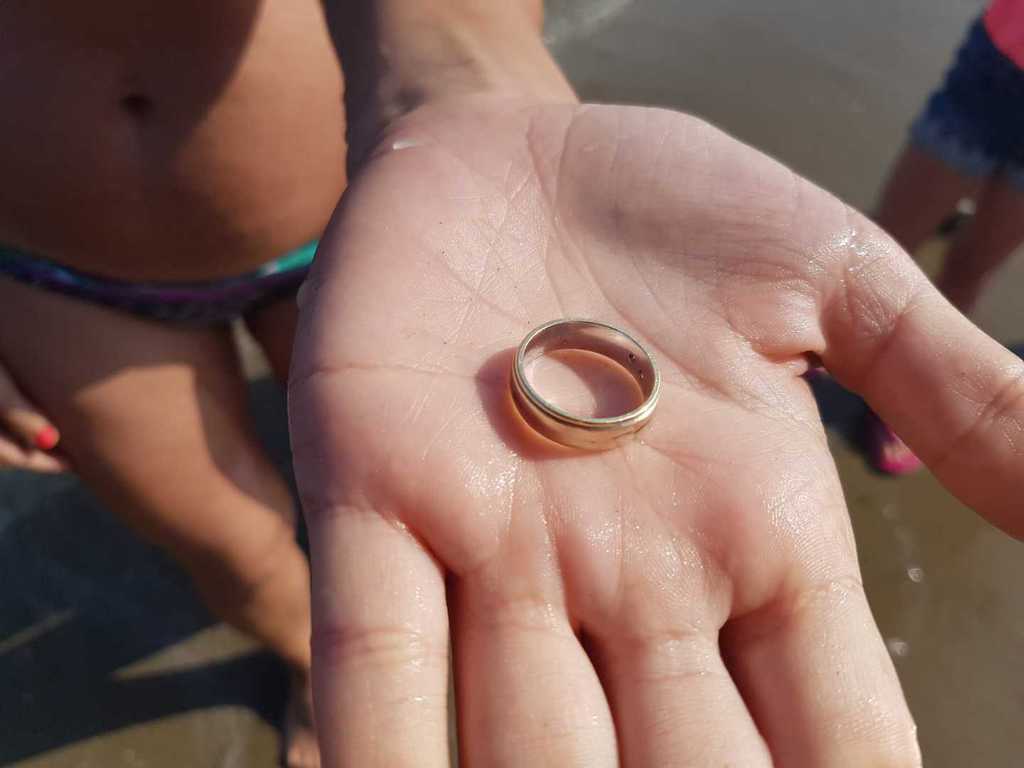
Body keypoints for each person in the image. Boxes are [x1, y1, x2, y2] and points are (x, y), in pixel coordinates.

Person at [3, 3, 1023, 768]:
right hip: (47, 272)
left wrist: (472, 88)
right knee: (227, 539)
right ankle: (314, 661)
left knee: (361, 483)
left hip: (371, 211)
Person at [868, 0, 1024, 474]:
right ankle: (824, 349)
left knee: (969, 268)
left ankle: (914, 389)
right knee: (881, 246)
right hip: (1003, 60)